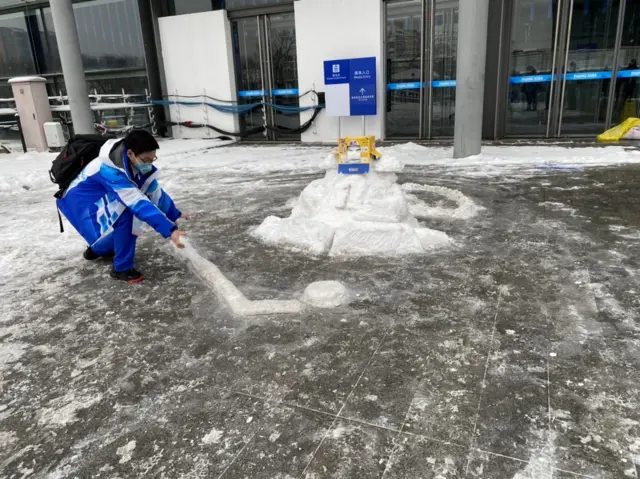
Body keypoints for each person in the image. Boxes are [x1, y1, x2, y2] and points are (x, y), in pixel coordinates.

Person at [57, 130, 188, 283]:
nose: (149, 164)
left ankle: (96, 250)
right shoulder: (108, 169)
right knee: (128, 217)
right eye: (146, 160)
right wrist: (170, 230)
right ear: (130, 153)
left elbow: (152, 190)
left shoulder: (133, 162)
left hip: (102, 193)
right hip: (81, 199)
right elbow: (137, 201)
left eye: (153, 160)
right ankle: (121, 269)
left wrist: (174, 214)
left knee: (128, 217)